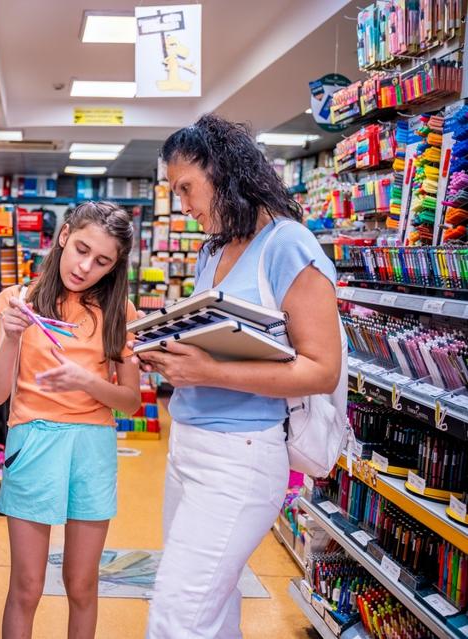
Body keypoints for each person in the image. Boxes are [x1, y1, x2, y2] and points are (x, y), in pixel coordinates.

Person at [135, 114, 342, 639]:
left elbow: (321, 369)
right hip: (188, 448)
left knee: (176, 618)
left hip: (242, 456)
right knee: (212, 608)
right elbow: (219, 345)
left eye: (187, 188)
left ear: (223, 173)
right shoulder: (213, 249)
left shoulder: (287, 244)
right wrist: (166, 352)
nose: (182, 205)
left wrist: (210, 371)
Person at [0, 201, 141, 639]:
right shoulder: (19, 301)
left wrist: (85, 382)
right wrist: (12, 336)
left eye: (102, 261)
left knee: (82, 584)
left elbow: (130, 402)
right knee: (27, 586)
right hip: (32, 441)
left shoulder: (120, 314)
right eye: (81, 249)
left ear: (114, 268)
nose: (85, 266)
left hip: (93, 447)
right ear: (64, 235)